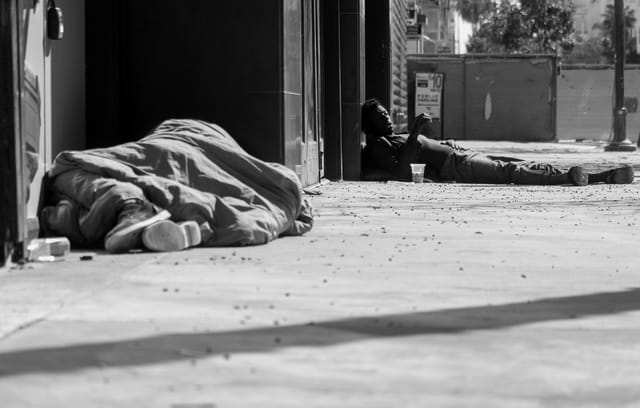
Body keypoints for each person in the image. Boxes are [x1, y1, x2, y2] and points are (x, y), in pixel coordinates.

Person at [361, 98, 635, 186]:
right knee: (509, 172)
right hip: (454, 166)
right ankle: (568, 177)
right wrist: (415, 131)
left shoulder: (390, 137)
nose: (386, 117)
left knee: (518, 164)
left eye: (385, 112)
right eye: (380, 115)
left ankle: (596, 176)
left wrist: (445, 141)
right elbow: (400, 171)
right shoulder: (377, 145)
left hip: (458, 156)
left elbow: (416, 150)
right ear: (369, 124)